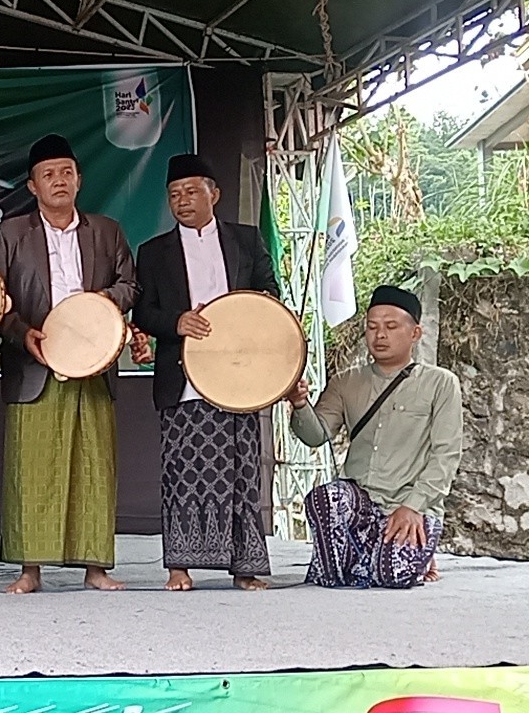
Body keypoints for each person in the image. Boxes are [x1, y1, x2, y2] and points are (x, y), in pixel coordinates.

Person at [0, 134, 138, 594]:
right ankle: (30, 569)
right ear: (33, 186)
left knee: (94, 462)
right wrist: (22, 334)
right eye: (48, 174)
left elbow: (130, 285)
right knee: (33, 465)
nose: (59, 181)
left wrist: (98, 304)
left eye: (66, 173)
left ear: (79, 180)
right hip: (35, 362)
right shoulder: (11, 233)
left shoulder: (106, 231)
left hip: (93, 361)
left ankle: (95, 568)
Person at [132, 153, 279, 592]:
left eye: (192, 191)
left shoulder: (246, 240)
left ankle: (245, 567)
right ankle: (180, 566)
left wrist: (243, 316)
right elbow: (144, 312)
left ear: (214, 194)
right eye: (174, 194)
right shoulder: (153, 252)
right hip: (184, 376)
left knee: (242, 471)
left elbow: (269, 293)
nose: (182, 201)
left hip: (239, 374)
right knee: (182, 471)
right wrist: (177, 321)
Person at [287, 285, 462, 588]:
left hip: (410, 506)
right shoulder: (345, 382)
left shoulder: (441, 383)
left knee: (393, 575)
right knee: (325, 498)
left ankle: (389, 559)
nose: (380, 335)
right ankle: (352, 565)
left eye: (391, 326)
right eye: (372, 327)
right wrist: (300, 404)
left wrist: (414, 506)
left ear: (415, 333)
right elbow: (316, 436)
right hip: (361, 504)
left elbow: (445, 456)